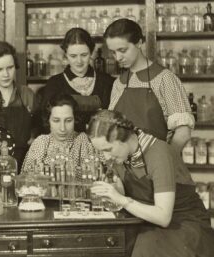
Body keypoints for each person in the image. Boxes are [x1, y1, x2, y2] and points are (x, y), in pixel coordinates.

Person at [89, 110, 214, 257]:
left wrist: (121, 199)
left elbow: (163, 217)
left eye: (108, 150)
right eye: (101, 152)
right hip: (145, 220)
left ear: (125, 138)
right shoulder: (121, 155)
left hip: (181, 224)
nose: (105, 156)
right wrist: (114, 190)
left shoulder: (158, 153)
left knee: (143, 250)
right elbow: (127, 189)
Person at [104, 19, 193, 152]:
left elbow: (183, 132)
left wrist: (164, 161)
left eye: (122, 50)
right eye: (113, 52)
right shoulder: (118, 83)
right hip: (125, 166)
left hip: (157, 166)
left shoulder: (164, 78)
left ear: (139, 43)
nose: (118, 58)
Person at [39, 28, 114, 133]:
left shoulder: (107, 81)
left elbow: (115, 119)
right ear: (65, 55)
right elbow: (46, 123)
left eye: (84, 55)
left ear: (91, 52)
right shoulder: (54, 83)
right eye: (73, 56)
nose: (79, 61)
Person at [0, 41, 39, 166]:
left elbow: (37, 131)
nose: (6, 74)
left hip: (25, 162)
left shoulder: (27, 94)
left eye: (10, 68)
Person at [22, 93, 96, 177]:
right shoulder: (41, 142)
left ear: (75, 119)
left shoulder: (83, 141)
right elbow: (28, 183)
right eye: (56, 120)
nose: (62, 128)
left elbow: (92, 179)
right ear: (48, 120)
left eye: (68, 120)